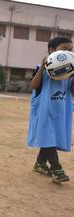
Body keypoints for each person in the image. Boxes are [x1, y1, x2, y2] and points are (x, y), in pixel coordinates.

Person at [28, 36, 73, 184]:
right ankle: (56, 169)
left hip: (61, 111)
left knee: (51, 138)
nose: (68, 53)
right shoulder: (42, 68)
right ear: (51, 50)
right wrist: (42, 67)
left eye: (70, 50)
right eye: (64, 49)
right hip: (44, 110)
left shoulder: (70, 71)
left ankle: (40, 164)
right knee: (48, 136)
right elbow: (33, 85)